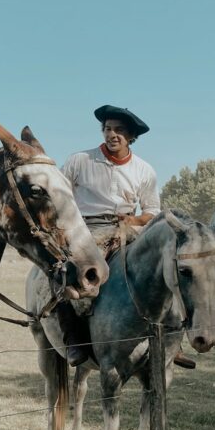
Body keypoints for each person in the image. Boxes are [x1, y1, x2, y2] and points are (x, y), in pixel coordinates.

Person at [58, 105, 165, 367]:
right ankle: (74, 340)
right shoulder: (79, 161)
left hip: (129, 229)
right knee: (67, 272)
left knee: (164, 268)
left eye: (119, 130)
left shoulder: (144, 170)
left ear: (131, 137)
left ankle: (170, 341)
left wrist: (134, 220)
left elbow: (152, 212)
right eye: (108, 129)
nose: (112, 134)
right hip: (87, 229)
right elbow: (59, 196)